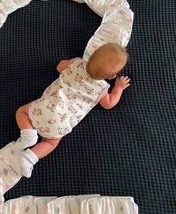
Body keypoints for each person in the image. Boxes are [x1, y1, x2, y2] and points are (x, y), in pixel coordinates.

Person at [15, 42, 131, 178]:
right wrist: (118, 88)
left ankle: (28, 133)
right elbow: (109, 104)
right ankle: (30, 157)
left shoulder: (77, 63)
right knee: (50, 142)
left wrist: (66, 64)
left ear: (92, 54)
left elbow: (59, 66)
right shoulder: (101, 89)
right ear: (111, 76)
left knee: (21, 112)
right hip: (59, 125)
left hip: (44, 108)